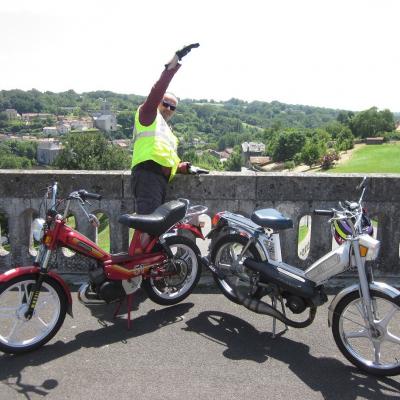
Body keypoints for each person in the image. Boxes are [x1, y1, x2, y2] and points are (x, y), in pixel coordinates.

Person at [131, 44, 199, 215]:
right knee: (149, 228)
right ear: (158, 102)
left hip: (158, 180)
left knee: (151, 228)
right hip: (147, 176)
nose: (168, 108)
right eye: (165, 104)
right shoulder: (148, 115)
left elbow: (166, 157)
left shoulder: (168, 132)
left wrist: (182, 167)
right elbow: (158, 89)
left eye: (172, 107)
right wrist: (174, 63)